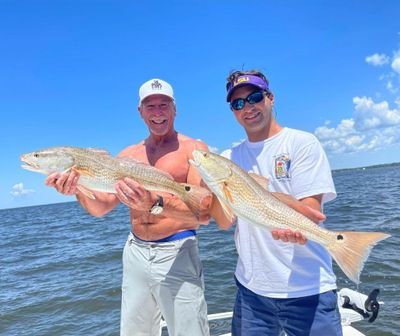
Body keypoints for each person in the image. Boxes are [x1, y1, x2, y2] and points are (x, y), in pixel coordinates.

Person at [44, 78, 213, 336]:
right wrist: (76, 188)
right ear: (140, 112)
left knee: (189, 331)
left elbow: (203, 213)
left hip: (177, 250)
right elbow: (100, 208)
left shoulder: (193, 150)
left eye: (163, 105)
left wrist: (154, 203)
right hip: (135, 252)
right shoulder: (126, 156)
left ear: (175, 108)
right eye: (150, 106)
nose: (157, 112)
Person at [220, 70, 342, 336]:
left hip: (309, 290)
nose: (247, 108)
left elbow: (311, 213)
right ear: (232, 110)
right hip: (252, 293)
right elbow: (223, 220)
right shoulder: (229, 157)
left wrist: (271, 197)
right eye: (238, 104)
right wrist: (215, 191)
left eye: (253, 98)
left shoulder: (302, 143)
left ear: (270, 97)